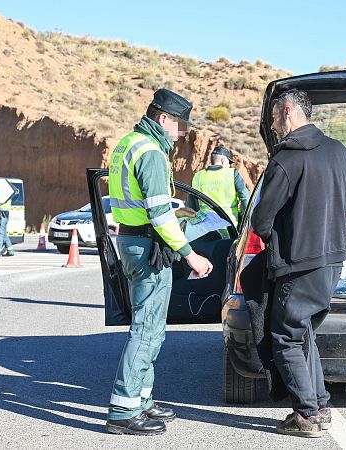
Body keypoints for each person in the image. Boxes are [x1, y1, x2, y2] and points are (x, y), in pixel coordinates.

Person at [105, 88, 213, 436]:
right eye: (179, 125)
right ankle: (123, 409)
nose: (181, 133)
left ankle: (142, 401)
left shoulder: (127, 143)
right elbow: (160, 214)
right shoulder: (151, 153)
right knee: (146, 331)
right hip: (149, 245)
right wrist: (190, 254)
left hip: (133, 242)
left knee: (149, 327)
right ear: (163, 118)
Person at [251, 88, 346, 437]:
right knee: (304, 332)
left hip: (298, 263)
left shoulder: (286, 159)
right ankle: (319, 403)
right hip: (333, 261)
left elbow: (262, 219)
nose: (274, 123)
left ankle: (307, 414)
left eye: (276, 115)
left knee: (286, 337)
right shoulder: (339, 152)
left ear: (290, 111)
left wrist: (274, 238)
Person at [188, 145, 250, 228]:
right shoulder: (231, 174)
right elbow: (245, 197)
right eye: (229, 162)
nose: (229, 166)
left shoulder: (197, 177)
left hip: (204, 227)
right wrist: (246, 220)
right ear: (223, 160)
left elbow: (191, 205)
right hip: (228, 226)